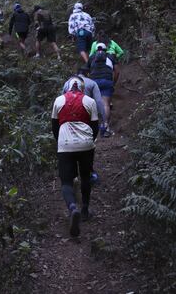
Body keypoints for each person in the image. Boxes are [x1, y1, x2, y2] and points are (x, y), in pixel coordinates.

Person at [51, 76, 99, 236]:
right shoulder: (89, 101)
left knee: (66, 181)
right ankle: (85, 209)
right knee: (85, 177)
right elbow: (95, 126)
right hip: (86, 144)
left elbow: (55, 127)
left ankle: (72, 208)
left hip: (65, 144)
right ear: (82, 88)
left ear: (67, 87)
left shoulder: (58, 101)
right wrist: (91, 140)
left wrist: (62, 142)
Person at [88, 42, 116, 134]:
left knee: (93, 105)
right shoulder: (110, 57)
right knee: (106, 104)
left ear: (96, 50)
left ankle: (92, 127)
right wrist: (113, 82)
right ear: (105, 50)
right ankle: (106, 126)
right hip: (106, 81)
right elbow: (117, 71)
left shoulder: (92, 57)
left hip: (94, 82)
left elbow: (88, 71)